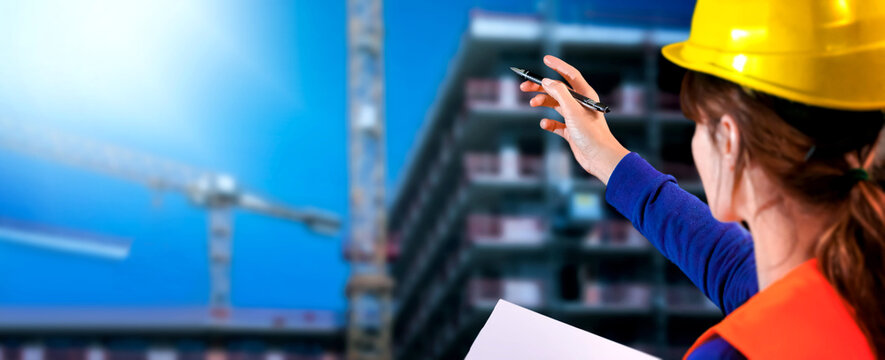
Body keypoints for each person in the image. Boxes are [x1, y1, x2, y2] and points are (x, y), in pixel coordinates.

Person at [519, 1, 885, 359]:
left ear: (729, 141)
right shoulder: (861, 283)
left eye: (695, 125)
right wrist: (607, 158)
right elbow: (732, 264)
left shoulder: (737, 352)